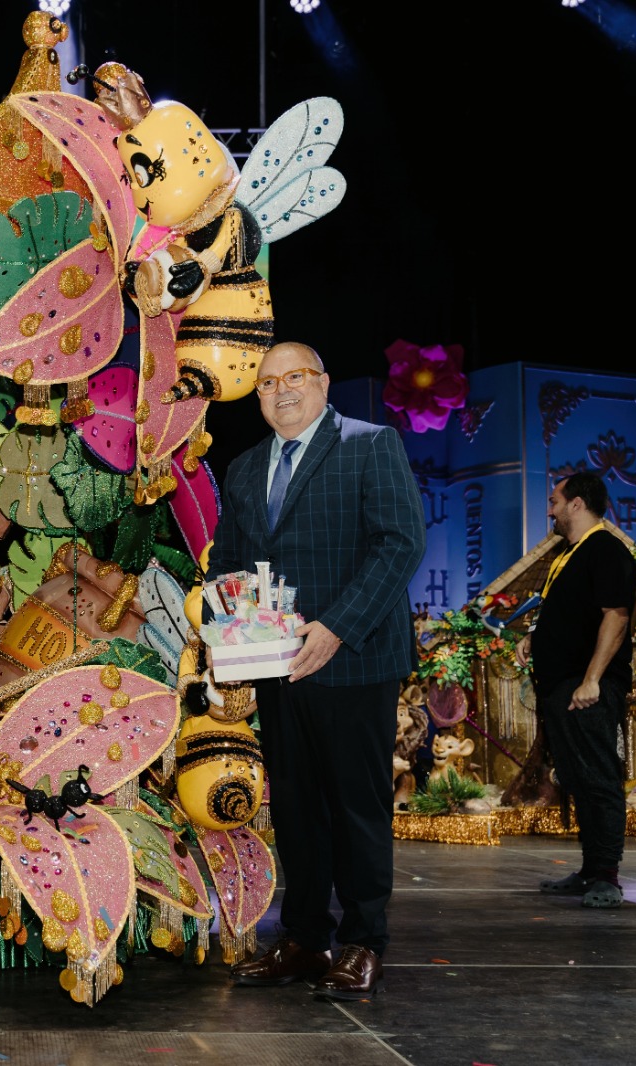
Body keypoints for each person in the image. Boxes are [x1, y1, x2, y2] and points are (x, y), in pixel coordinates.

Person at [208, 342, 423, 1000]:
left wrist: (336, 627)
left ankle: (363, 941)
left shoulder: (371, 444)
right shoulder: (245, 467)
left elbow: (400, 543)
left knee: (357, 806)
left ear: (323, 383)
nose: (281, 391)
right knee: (297, 809)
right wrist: (226, 644)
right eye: (267, 383)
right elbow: (229, 566)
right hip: (275, 667)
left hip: (354, 658)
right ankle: (304, 939)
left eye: (294, 377)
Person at [518, 473, 636, 908]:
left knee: (599, 778)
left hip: (587, 687)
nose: (549, 510)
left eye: (554, 501)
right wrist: (534, 636)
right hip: (562, 686)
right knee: (578, 780)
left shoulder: (604, 549)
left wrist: (592, 680)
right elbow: (569, 613)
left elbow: (616, 616)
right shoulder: (569, 554)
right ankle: (590, 870)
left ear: (577, 503)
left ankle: (607, 875)